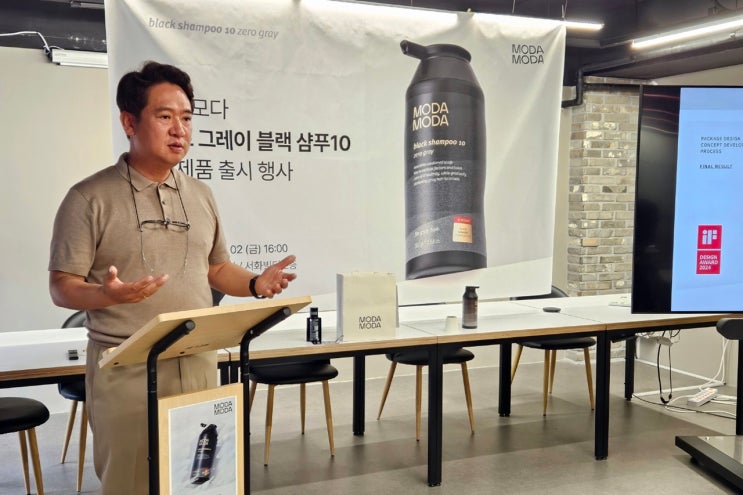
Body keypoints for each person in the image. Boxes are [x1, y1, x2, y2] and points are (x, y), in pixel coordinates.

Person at [48, 61, 297, 494]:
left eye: (186, 118)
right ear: (130, 122)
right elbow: (61, 286)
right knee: (131, 481)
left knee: (199, 479)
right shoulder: (89, 197)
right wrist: (107, 294)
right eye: (164, 116)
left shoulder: (201, 194)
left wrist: (256, 284)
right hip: (125, 366)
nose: (179, 130)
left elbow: (216, 269)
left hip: (197, 358)